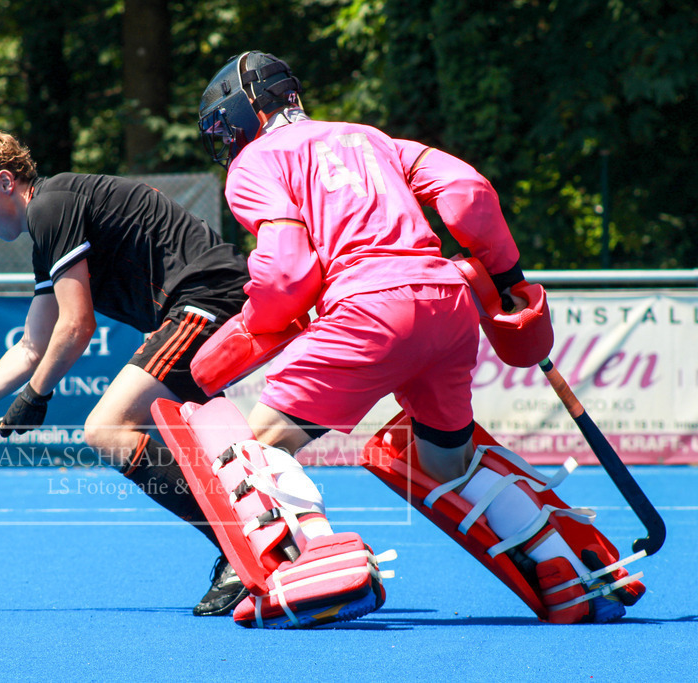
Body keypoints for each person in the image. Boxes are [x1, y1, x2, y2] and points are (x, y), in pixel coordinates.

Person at [192, 51, 645, 625]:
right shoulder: (371, 137)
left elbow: (286, 273)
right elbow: (470, 192)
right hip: (448, 308)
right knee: (446, 464)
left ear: (249, 110)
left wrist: (254, 324)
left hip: (369, 307)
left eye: (226, 126)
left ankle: (318, 567)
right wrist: (508, 281)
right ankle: (569, 569)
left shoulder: (254, 163)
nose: (228, 140)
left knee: (254, 448)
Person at [0, 129, 252, 617]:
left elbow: (76, 326)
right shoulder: (48, 231)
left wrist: (35, 397)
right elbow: (32, 346)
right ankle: (254, 537)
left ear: (6, 182)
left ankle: (239, 547)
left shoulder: (51, 207)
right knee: (187, 437)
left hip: (208, 302)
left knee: (106, 428)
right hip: (205, 304)